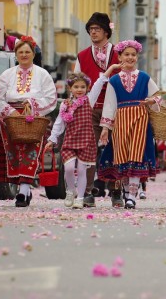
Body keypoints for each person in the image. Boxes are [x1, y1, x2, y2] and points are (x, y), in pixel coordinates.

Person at [45, 65, 120, 209]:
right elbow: (59, 124)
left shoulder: (89, 100)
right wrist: (52, 139)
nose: (79, 89)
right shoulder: (65, 105)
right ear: (70, 88)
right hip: (70, 140)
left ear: (87, 88)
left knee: (81, 170)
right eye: (76, 87)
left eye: (82, 87)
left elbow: (100, 82)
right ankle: (70, 191)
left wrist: (111, 68)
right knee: (67, 168)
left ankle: (80, 197)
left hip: (86, 141)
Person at [0, 37, 57, 207]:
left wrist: (33, 106)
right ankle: (24, 190)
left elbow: (51, 98)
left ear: (33, 54)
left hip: (33, 118)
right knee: (14, 154)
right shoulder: (7, 74)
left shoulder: (42, 74)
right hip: (11, 118)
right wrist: (11, 112)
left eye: (27, 51)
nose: (24, 55)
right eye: (20, 52)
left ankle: (23, 191)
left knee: (30, 153)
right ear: (15, 54)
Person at [98, 40, 159, 209]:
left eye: (133, 54)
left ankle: (132, 195)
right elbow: (109, 105)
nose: (130, 57)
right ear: (119, 57)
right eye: (126, 54)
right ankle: (126, 193)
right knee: (123, 157)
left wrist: (152, 100)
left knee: (136, 156)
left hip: (140, 119)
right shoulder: (114, 80)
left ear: (137, 57)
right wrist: (105, 128)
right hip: (121, 121)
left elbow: (158, 96)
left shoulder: (145, 77)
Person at [74, 12, 121, 207]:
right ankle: (88, 191)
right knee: (88, 151)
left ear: (106, 32)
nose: (93, 33)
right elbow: (75, 83)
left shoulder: (120, 54)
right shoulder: (82, 55)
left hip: (116, 109)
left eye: (97, 29)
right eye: (90, 29)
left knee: (116, 149)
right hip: (90, 109)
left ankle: (116, 190)